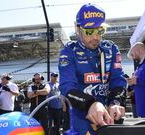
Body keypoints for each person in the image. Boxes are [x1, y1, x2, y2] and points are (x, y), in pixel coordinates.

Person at [58, 3, 127, 134]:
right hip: (81, 117)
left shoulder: (111, 49)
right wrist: (91, 104)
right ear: (78, 29)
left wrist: (116, 102)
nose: (96, 37)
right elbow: (67, 87)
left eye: (100, 31)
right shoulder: (68, 52)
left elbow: (118, 80)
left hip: (109, 117)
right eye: (89, 32)